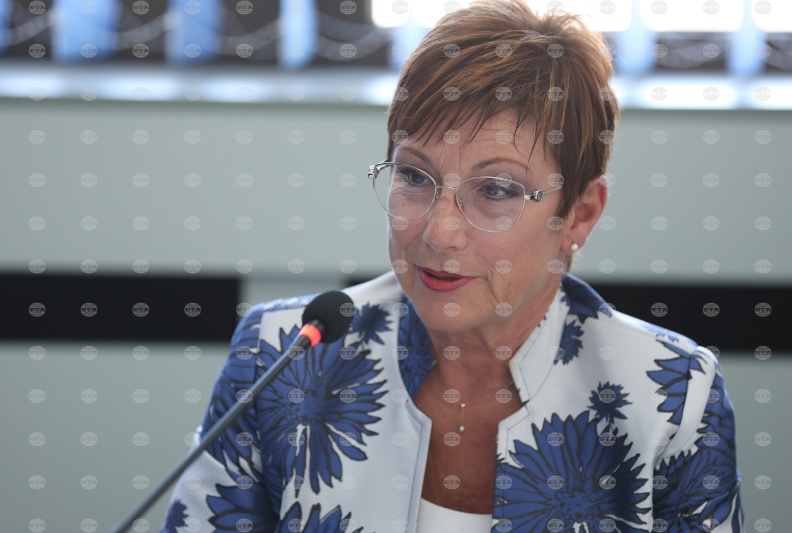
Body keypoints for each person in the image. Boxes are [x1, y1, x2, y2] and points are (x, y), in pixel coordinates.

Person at [161, 1, 744, 532]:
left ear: (580, 214)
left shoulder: (672, 396)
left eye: (496, 190)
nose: (439, 232)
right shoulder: (281, 354)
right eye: (415, 176)